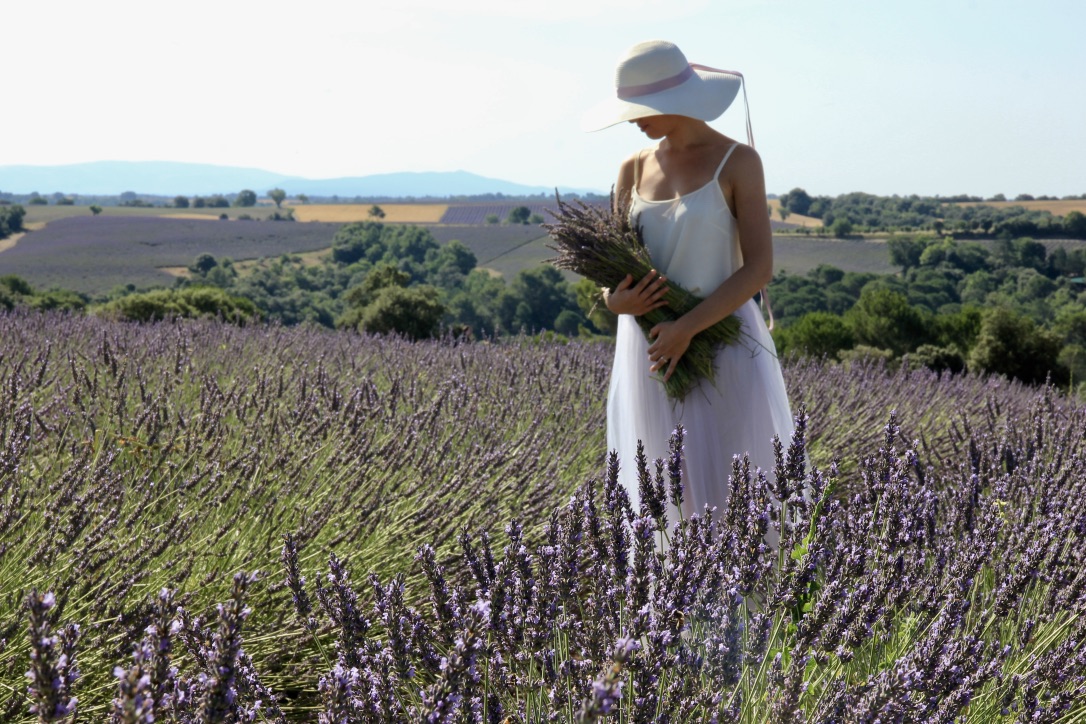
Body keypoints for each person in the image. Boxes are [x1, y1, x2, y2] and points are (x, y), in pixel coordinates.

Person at [583, 40, 794, 524]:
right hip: (651, 349)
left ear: (674, 100)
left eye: (641, 108)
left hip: (722, 344)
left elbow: (759, 268)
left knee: (734, 493)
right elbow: (611, 270)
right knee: (664, 495)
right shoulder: (632, 167)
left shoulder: (738, 162)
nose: (632, 120)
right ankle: (677, 601)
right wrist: (614, 302)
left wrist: (688, 328)